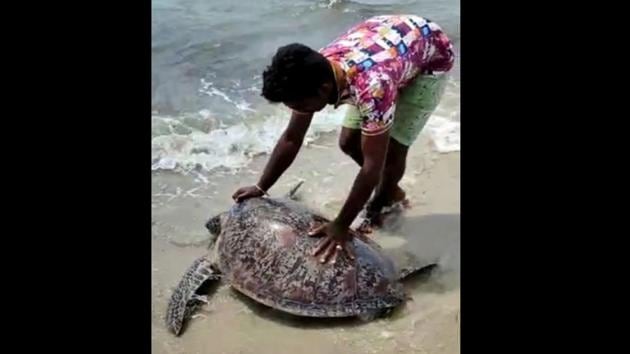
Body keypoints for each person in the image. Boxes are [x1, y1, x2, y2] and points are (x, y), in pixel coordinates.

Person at [232, 15, 454, 264]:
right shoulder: (310, 74)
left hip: (429, 58)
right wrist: (262, 187)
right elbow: (292, 138)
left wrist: (340, 225)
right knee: (348, 142)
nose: (298, 109)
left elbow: (372, 166)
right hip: (386, 42)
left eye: (300, 105)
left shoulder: (372, 88)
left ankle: (381, 202)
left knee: (392, 152)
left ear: (324, 89)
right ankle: (392, 191)